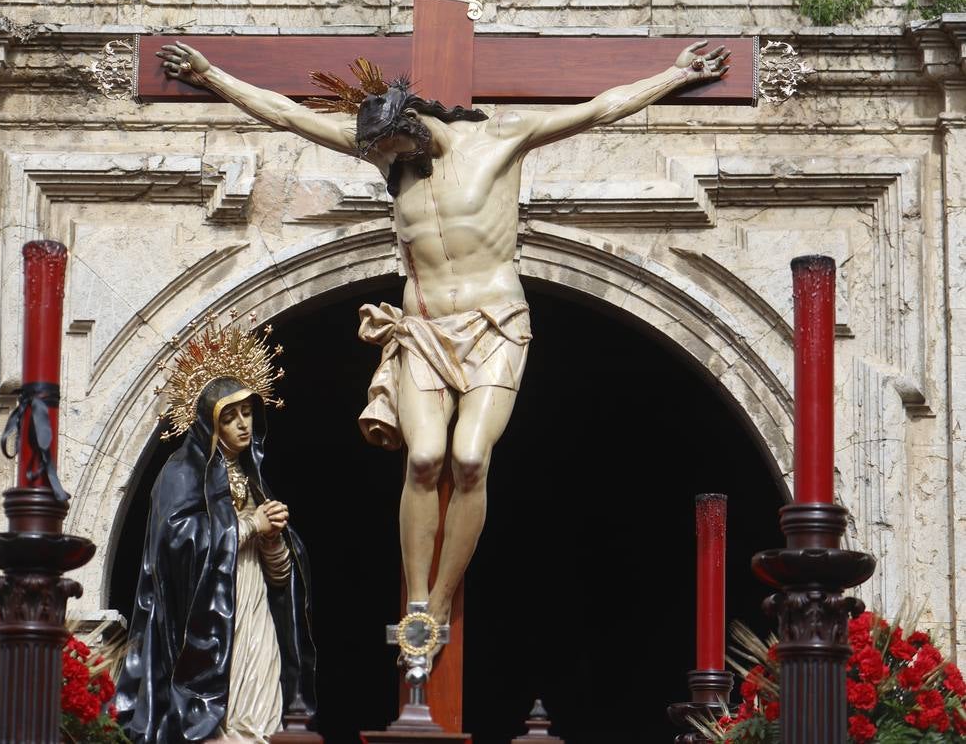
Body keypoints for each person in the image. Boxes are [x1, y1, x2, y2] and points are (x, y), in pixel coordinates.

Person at [155, 40, 729, 632]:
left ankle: (444, 598)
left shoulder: (502, 141)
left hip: (496, 324)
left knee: (471, 458)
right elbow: (288, 115)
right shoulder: (389, 159)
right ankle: (417, 599)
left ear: (416, 127)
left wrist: (674, 76)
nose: (385, 165)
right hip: (424, 330)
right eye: (378, 155)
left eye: (393, 149)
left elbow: (599, 108)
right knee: (425, 457)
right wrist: (211, 76)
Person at [115, 316, 315, 744]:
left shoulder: (253, 479)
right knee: (222, 703)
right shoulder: (181, 473)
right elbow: (175, 541)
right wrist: (247, 526)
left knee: (261, 697)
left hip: (251, 595)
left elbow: (281, 579)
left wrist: (273, 537)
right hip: (207, 608)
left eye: (248, 413)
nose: (243, 424)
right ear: (209, 422)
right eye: (231, 417)